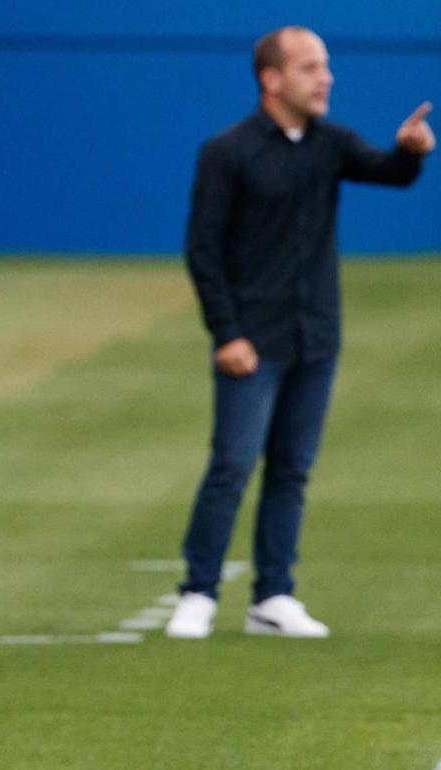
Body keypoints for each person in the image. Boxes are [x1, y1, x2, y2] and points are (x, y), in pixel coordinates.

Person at [164, 26, 433, 640]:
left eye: (326, 66)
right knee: (232, 464)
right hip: (251, 342)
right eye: (311, 67)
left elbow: (389, 172)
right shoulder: (226, 153)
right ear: (272, 78)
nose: (326, 78)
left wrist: (412, 149)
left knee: (291, 469)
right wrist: (226, 332)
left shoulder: (328, 144)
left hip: (316, 337)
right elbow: (202, 251)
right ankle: (198, 591)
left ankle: (273, 595)